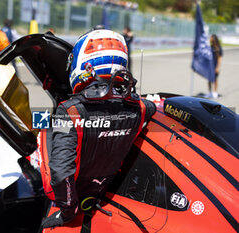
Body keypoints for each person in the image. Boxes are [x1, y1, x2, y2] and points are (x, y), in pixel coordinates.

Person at [41, 29, 156, 228]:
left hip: (73, 196)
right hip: (108, 187)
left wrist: (67, 212)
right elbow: (155, 105)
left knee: (43, 128)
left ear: (85, 64)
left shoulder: (68, 112)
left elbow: (60, 173)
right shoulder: (142, 108)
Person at [208, 34, 223, 99]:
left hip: (215, 66)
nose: (210, 38)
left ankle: (215, 92)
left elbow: (220, 58)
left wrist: (217, 67)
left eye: (211, 38)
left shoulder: (218, 48)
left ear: (214, 39)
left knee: (215, 80)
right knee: (209, 80)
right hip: (209, 66)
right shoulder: (210, 47)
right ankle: (210, 92)